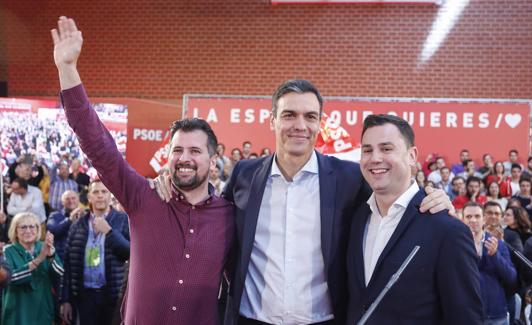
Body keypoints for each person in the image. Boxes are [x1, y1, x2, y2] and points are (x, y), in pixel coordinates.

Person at [215, 81, 452, 324]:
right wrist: (174, 186)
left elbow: (394, 201)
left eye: (310, 116)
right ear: (272, 120)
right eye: (289, 115)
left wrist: (433, 199)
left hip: (325, 320)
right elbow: (213, 220)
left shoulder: (349, 178)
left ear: (320, 123)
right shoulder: (244, 174)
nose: (300, 125)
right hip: (251, 319)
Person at [52, 16, 234, 325]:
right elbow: (98, 145)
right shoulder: (142, 198)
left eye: (194, 151)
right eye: (177, 150)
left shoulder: (231, 215)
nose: (184, 158)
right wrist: (67, 69)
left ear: (212, 159)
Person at [346, 114, 482, 324]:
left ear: (412, 155)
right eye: (367, 150)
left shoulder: (447, 230)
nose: (374, 158)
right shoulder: (357, 218)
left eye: (386, 148)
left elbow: (465, 317)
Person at [60, 180, 130, 325]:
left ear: (110, 196)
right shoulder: (77, 224)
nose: (100, 196)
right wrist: (65, 299)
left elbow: (129, 253)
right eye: (95, 192)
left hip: (113, 296)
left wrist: (110, 232)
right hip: (85, 296)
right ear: (89, 197)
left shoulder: (123, 220)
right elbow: (68, 265)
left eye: (104, 192)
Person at [2, 212, 63, 325]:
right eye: (23, 227)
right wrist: (38, 260)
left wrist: (51, 256)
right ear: (15, 231)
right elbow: (9, 279)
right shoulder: (7, 250)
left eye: (32, 226)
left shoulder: (45, 247)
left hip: (43, 309)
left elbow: (60, 274)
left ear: (38, 229)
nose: (28, 231)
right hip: (17, 312)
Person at [462, 202, 517, 325]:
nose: (473, 220)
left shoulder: (497, 243)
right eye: (468, 217)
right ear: (462, 219)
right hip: (466, 314)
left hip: (495, 315)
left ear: (484, 219)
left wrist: (495, 255)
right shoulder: (456, 245)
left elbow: (511, 277)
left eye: (477, 216)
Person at [46, 190, 83, 260]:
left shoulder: (85, 215)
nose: (71, 201)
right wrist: (69, 220)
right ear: (62, 202)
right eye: (67, 199)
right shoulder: (54, 215)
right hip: (62, 257)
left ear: (78, 200)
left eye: (73, 198)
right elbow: (53, 232)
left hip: (81, 257)